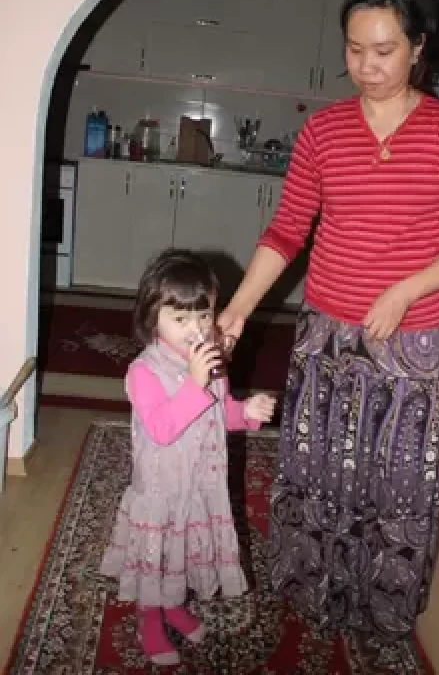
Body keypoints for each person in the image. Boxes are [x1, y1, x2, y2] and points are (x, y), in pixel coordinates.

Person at [215, 0, 439, 641]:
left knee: (396, 479)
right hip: (326, 334)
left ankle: (382, 601)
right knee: (319, 466)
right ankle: (311, 585)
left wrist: (406, 289)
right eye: (355, 49)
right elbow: (287, 230)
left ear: (418, 48)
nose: (368, 66)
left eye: (385, 51)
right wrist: (239, 307)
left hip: (412, 339)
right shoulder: (324, 130)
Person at [100, 249, 277, 665]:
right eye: (180, 319)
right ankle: (149, 617)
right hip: (162, 491)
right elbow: (162, 428)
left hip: (200, 485)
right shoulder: (144, 372)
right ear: (152, 319)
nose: (195, 328)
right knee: (158, 557)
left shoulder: (209, 361)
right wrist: (195, 383)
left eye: (204, 315)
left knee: (181, 556)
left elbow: (219, 412)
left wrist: (246, 412)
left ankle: (174, 604)